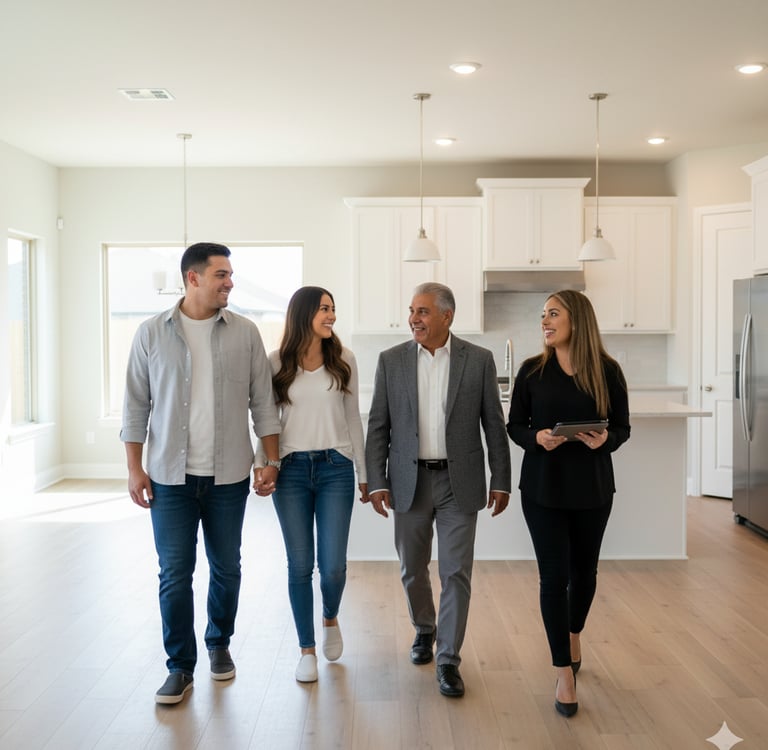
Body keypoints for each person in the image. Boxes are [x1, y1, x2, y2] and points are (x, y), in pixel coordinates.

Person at [120, 242, 281, 705]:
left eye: (230, 275)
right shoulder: (151, 334)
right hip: (169, 478)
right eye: (221, 275)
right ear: (192, 278)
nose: (230, 282)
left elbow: (263, 404)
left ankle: (219, 643)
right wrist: (135, 470)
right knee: (174, 573)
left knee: (226, 568)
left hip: (229, 476)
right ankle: (180, 666)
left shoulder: (246, 333)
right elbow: (135, 407)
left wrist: (269, 460)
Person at [365, 282, 511, 698]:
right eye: (412, 310)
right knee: (412, 569)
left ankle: (448, 659)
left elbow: (493, 426)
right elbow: (379, 425)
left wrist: (500, 478)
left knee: (455, 573)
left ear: (447, 316)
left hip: (459, 482)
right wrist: (377, 481)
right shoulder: (390, 361)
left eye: (424, 311)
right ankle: (424, 628)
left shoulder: (478, 360)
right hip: (408, 482)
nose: (414, 318)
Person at [506, 289, 630, 718]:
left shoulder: (608, 371)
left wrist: (605, 440)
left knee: (585, 573)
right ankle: (563, 672)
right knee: (553, 578)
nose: (545, 321)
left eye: (553, 313)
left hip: (593, 488)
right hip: (542, 489)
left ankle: (574, 632)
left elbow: (622, 428)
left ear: (577, 319)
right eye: (543, 315)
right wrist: (537, 438)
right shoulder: (531, 372)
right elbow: (515, 426)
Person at [254, 286, 368, 683]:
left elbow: (354, 419)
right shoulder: (275, 363)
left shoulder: (344, 360)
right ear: (304, 313)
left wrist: (365, 474)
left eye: (333, 308)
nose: (331, 315)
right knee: (300, 565)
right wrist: (262, 465)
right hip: (291, 472)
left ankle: (330, 618)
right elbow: (266, 422)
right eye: (324, 309)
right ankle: (306, 649)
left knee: (333, 566)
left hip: (337, 467)